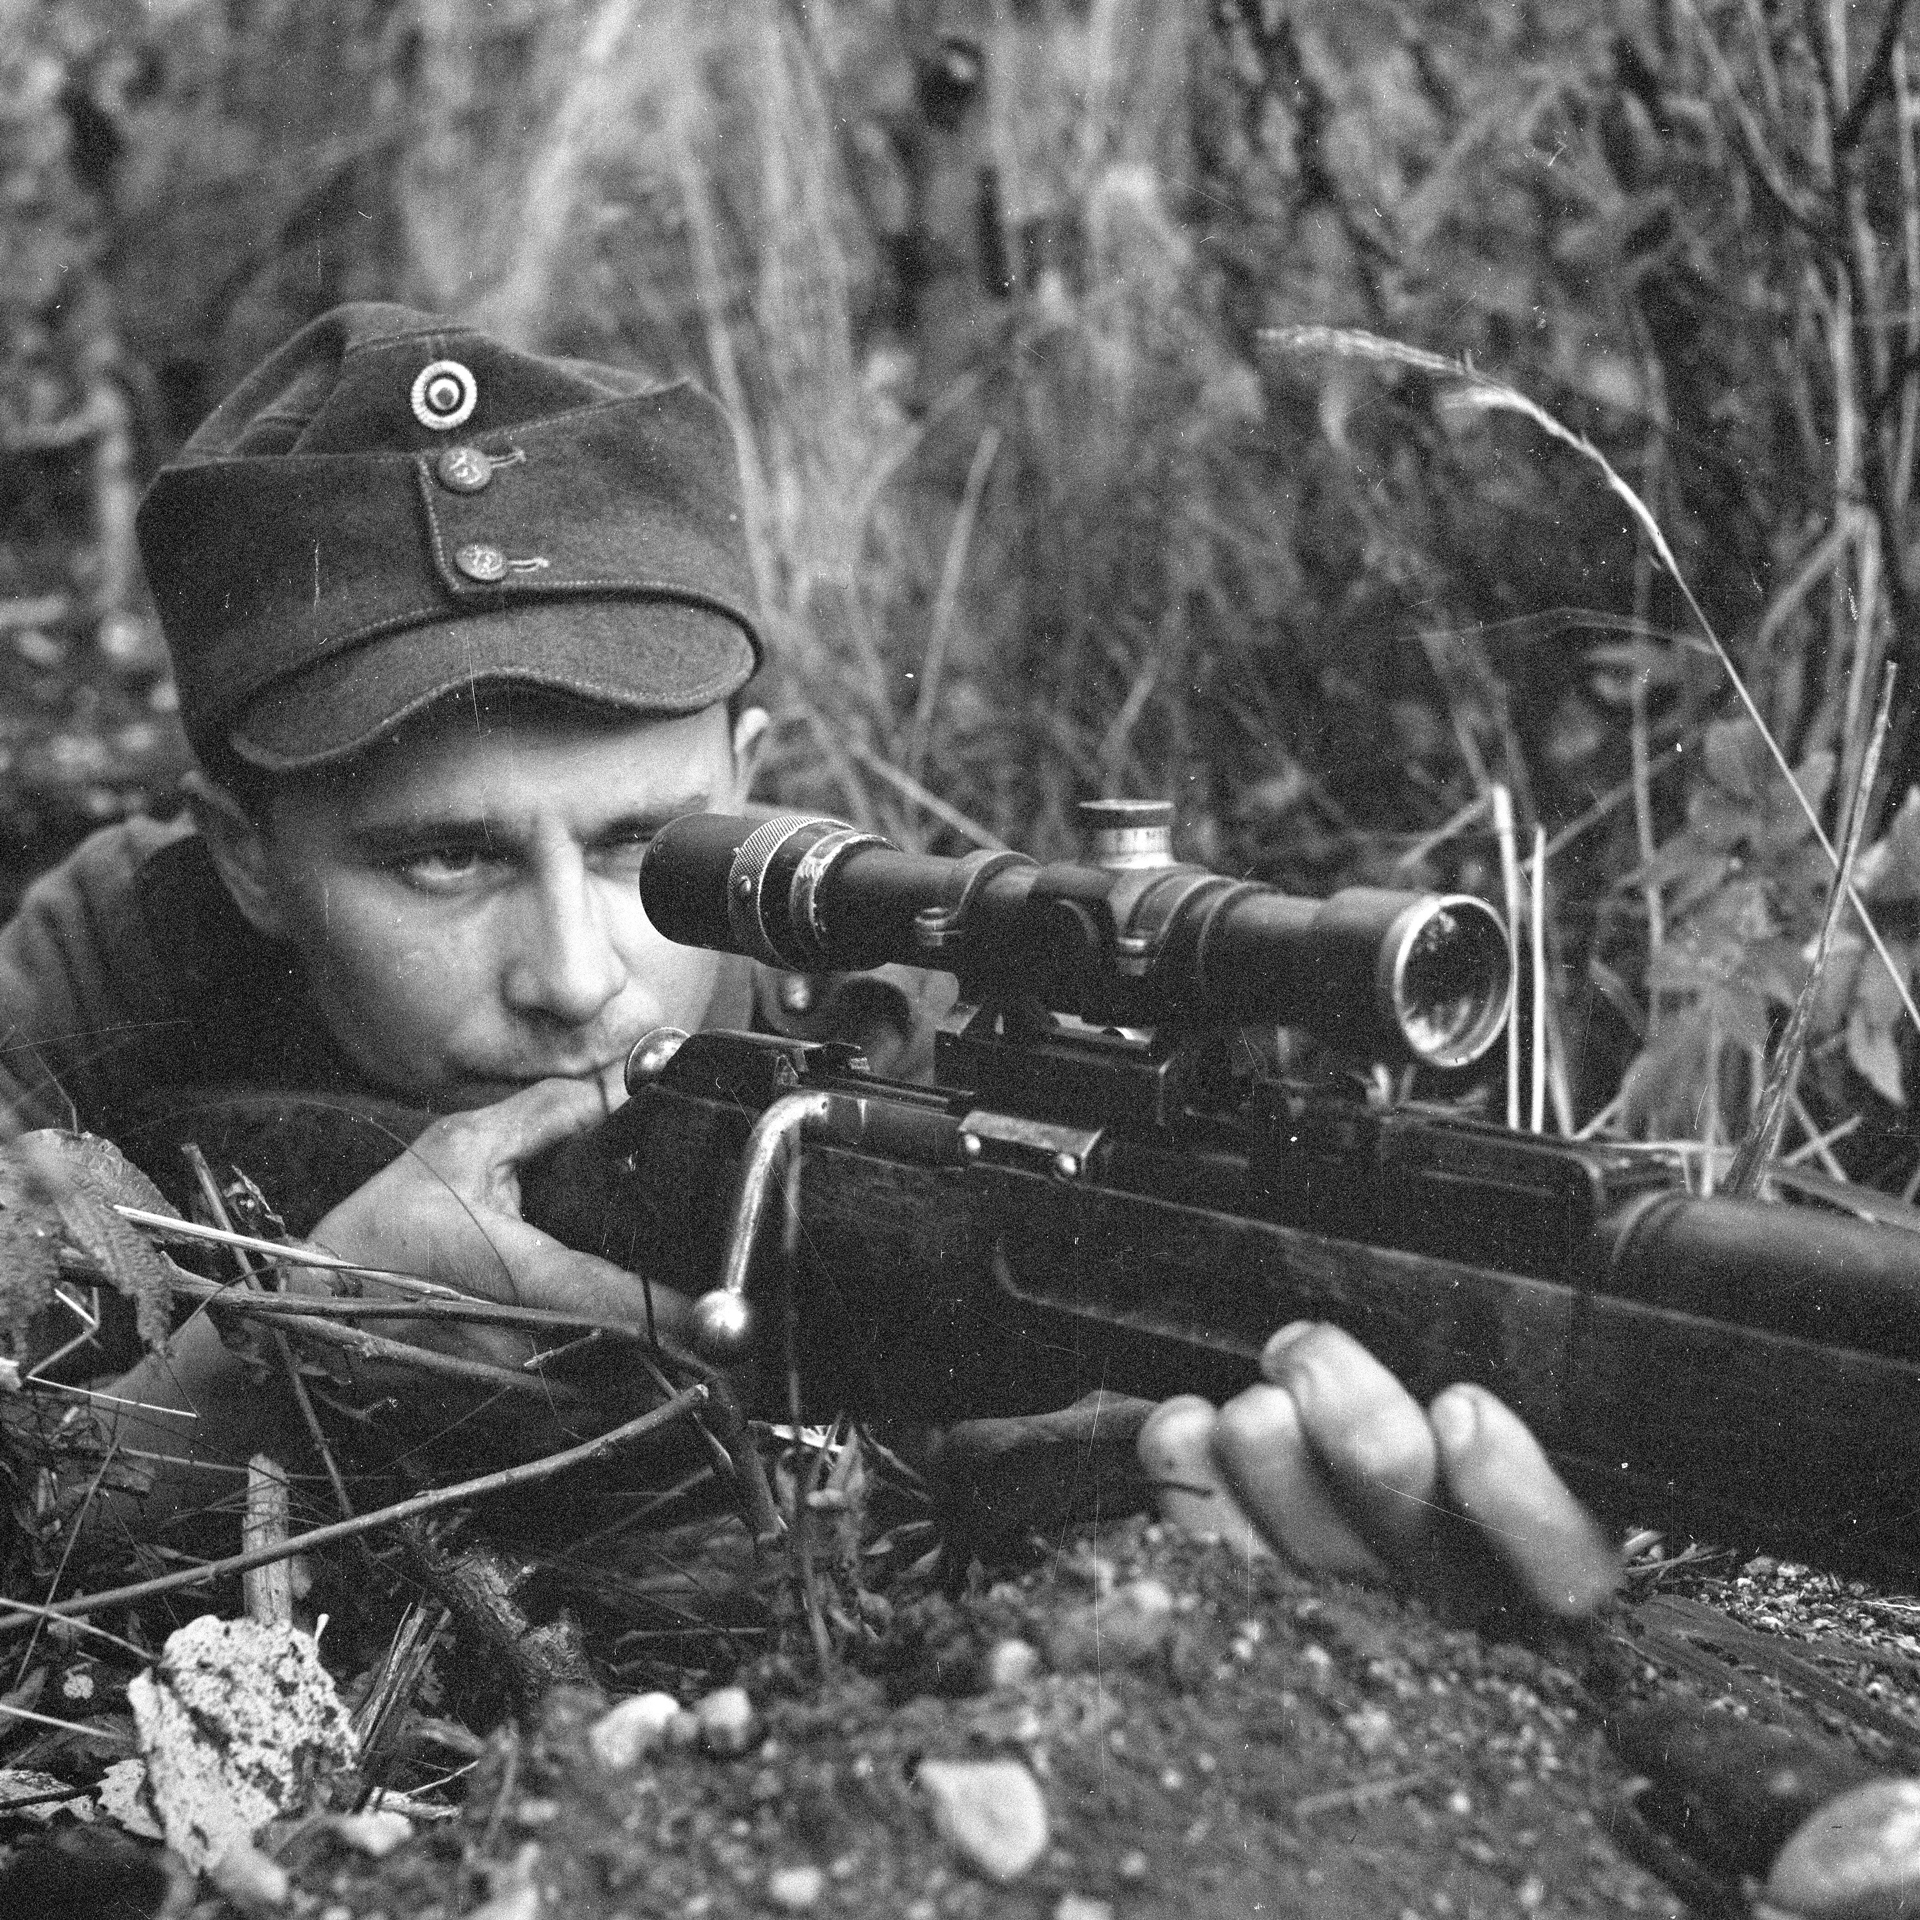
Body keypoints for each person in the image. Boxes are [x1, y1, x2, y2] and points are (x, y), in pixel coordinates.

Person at [0, 304, 1616, 1619]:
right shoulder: (110, 982)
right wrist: (275, 1365)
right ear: (245, 857)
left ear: (752, 777)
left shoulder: (899, 1017)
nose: (574, 974)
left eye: (647, 845)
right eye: (448, 856)